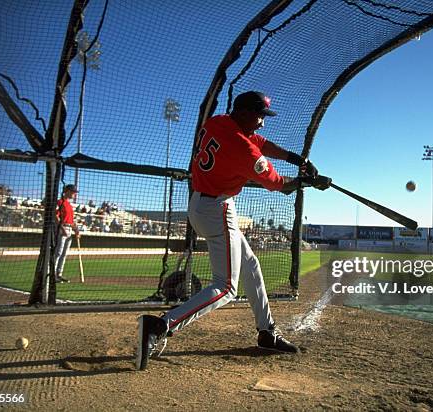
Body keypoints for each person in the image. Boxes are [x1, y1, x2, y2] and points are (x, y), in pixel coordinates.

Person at [136, 91, 331, 370]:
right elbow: (278, 184)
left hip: (200, 203)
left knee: (250, 265)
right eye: (259, 116)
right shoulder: (243, 149)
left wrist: (297, 159)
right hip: (217, 209)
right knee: (226, 287)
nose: (263, 122)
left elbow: (261, 142)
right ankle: (159, 326)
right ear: (242, 112)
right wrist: (307, 182)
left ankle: (267, 332)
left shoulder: (219, 122)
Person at [53, 184, 80, 283]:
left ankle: (58, 274)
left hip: (69, 229)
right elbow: (55, 216)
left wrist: (76, 230)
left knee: (64, 254)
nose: (74, 194)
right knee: (58, 253)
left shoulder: (69, 205)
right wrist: (61, 227)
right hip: (61, 228)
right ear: (67, 191)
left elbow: (71, 221)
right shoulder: (59, 202)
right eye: (73, 192)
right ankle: (52, 275)